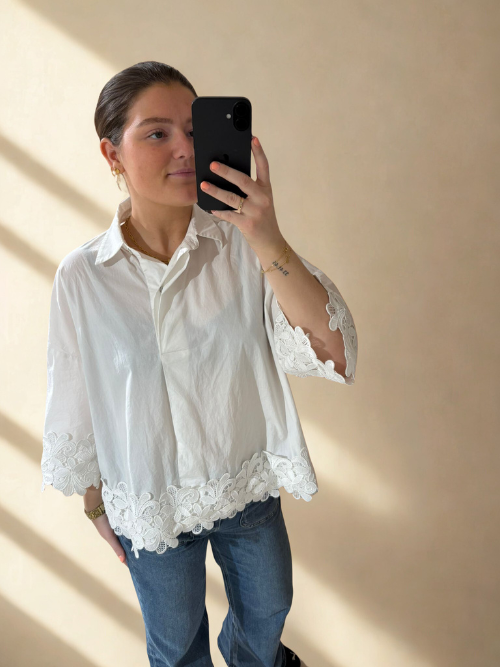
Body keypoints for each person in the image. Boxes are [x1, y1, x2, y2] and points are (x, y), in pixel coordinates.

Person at [40, 61, 358, 667]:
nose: (185, 148)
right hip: (151, 501)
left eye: (194, 129)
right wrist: (94, 501)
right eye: (158, 133)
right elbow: (76, 392)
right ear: (112, 153)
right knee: (176, 645)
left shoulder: (243, 245)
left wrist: (268, 237)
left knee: (266, 616)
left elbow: (332, 351)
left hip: (245, 485)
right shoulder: (83, 276)